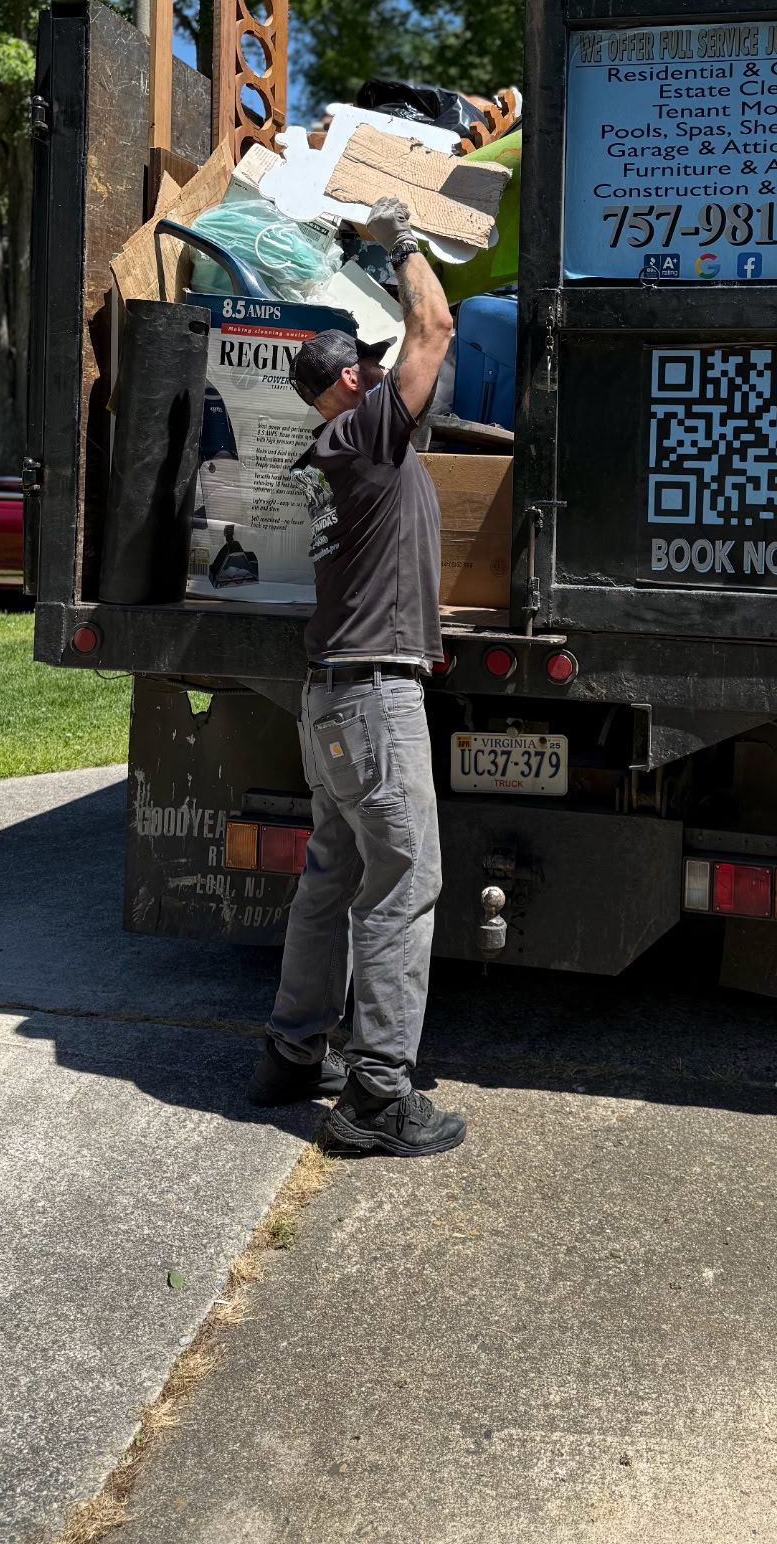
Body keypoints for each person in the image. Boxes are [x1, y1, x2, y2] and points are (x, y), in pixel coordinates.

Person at [248, 195, 466, 1158]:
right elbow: (437, 325)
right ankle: (379, 1096)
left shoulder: (339, 452)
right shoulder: (370, 436)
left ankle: (295, 1055)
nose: (387, 371)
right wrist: (404, 242)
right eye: (370, 366)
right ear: (349, 382)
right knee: (403, 883)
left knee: (332, 878)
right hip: (374, 702)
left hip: (331, 700)